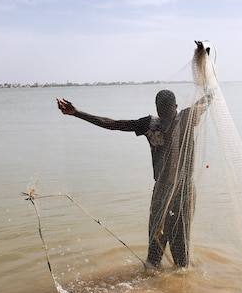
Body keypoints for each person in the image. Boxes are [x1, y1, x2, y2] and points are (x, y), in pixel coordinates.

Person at [57, 43, 212, 269]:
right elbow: (209, 95)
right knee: (175, 256)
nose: (166, 114)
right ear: (172, 107)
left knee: (163, 251)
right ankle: (176, 287)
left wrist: (76, 113)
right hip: (177, 192)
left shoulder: (156, 123)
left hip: (175, 191)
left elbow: (113, 124)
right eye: (165, 110)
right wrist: (203, 63)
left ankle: (157, 283)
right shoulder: (180, 118)